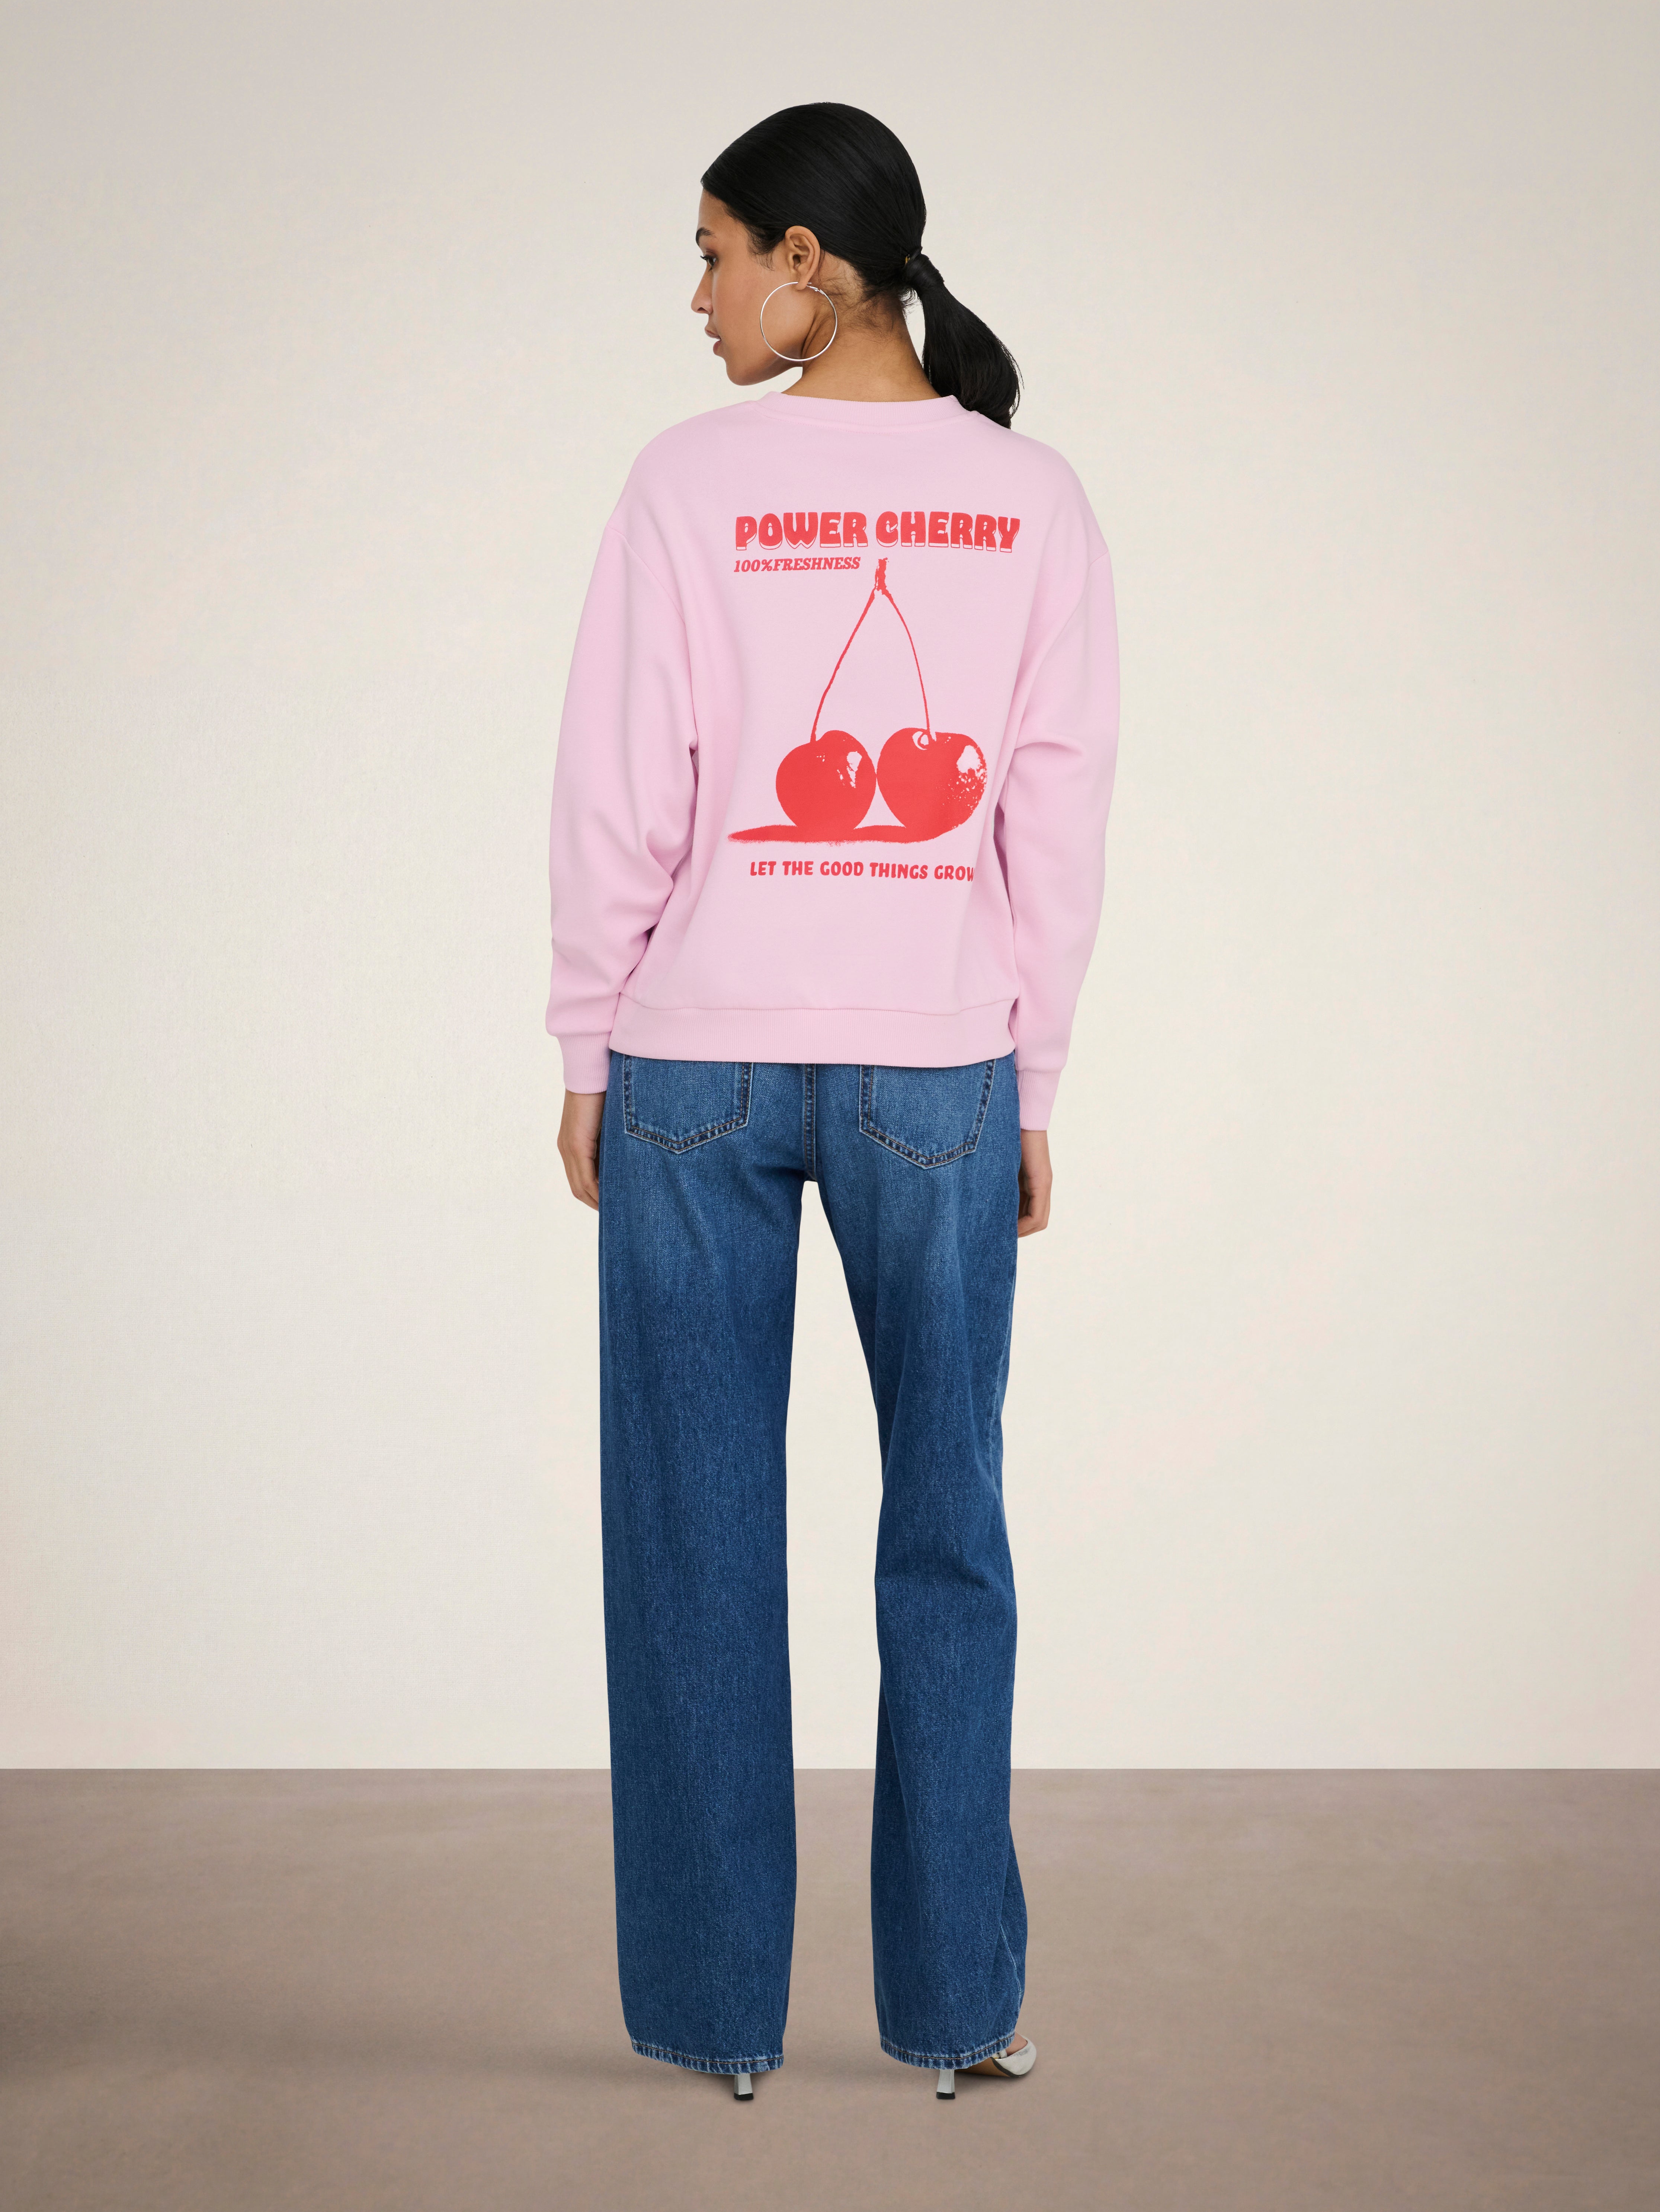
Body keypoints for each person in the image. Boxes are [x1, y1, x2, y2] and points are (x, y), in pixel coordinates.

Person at [545, 102, 1120, 2103]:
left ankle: (719, 2018)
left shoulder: (687, 486)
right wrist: (1034, 1073)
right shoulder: (1030, 499)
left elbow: (619, 783)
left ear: (813, 261)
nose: (698, 296)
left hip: (693, 1060)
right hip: (937, 1065)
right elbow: (1054, 817)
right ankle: (957, 2011)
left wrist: (588, 1042)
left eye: (716, 253)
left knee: (692, 1539)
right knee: (948, 1531)